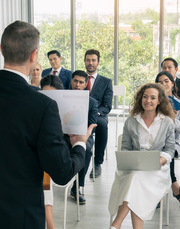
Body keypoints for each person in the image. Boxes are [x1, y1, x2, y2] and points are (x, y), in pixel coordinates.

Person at [0, 20, 95, 229]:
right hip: (20, 218)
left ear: (2, 49)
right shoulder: (43, 106)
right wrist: (80, 144)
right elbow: (62, 172)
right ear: (34, 55)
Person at [108, 83, 176, 229]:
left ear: (159, 101)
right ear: (140, 99)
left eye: (153, 97)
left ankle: (116, 223)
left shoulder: (167, 122)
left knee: (136, 180)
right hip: (133, 168)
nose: (148, 101)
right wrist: (131, 160)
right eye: (145, 97)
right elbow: (125, 147)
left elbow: (170, 149)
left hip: (157, 170)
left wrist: (162, 160)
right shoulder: (131, 121)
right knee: (136, 178)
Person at [156, 71, 180, 202]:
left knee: (167, 150)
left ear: (173, 83)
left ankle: (160, 191)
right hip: (154, 141)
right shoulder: (152, 102)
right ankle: (173, 182)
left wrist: (173, 118)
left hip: (173, 142)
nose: (163, 84)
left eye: (166, 81)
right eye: (160, 82)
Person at [69, 70, 98, 204]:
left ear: (86, 84)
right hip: (64, 134)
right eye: (75, 81)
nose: (77, 84)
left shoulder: (92, 102)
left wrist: (81, 136)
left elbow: (92, 124)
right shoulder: (63, 97)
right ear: (71, 81)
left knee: (86, 149)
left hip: (83, 135)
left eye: (81, 82)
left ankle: (77, 187)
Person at [40, 75, 65, 229]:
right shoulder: (35, 108)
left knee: (44, 171)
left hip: (58, 155)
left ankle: (49, 224)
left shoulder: (67, 111)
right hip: (40, 155)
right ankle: (50, 224)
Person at [84, 49, 113, 178]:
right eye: (88, 60)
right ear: (84, 61)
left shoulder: (106, 82)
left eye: (93, 60)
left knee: (101, 125)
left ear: (98, 62)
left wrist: (94, 114)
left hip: (98, 115)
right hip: (80, 114)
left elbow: (107, 106)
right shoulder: (78, 78)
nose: (91, 63)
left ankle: (97, 163)